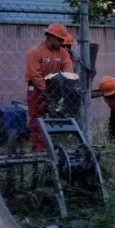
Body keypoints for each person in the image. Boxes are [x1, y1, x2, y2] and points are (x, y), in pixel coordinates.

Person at [24, 23, 74, 151]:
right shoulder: (35, 52)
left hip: (55, 89)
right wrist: (45, 90)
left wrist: (68, 82)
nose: (62, 42)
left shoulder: (62, 53)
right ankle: (39, 150)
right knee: (37, 119)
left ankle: (57, 147)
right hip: (36, 89)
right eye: (60, 40)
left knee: (58, 117)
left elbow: (68, 67)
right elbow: (35, 75)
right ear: (51, 37)